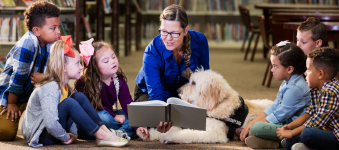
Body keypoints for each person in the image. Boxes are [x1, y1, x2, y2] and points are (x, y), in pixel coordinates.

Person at [22, 37, 129, 147]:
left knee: (78, 96)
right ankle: (101, 135)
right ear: (64, 67)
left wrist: (73, 134)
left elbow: (71, 116)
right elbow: (50, 124)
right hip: (41, 136)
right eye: (77, 63)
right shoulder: (50, 87)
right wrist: (65, 137)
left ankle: (104, 131)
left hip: (54, 131)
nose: (81, 67)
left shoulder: (66, 87)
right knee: (69, 102)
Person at [134, 4, 210, 137]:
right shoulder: (151, 52)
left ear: (185, 30)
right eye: (163, 31)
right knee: (156, 120)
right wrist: (160, 116)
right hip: (151, 94)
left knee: (212, 115)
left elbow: (204, 79)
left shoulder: (200, 40)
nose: (168, 38)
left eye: (174, 33)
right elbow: (155, 97)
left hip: (184, 94)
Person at [0, 1, 60, 141]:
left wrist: (46, 78)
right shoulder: (27, 44)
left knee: (57, 119)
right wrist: (12, 104)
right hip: (10, 95)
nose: (58, 31)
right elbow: (18, 77)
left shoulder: (53, 44)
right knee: (6, 132)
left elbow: (60, 73)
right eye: (53, 28)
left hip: (31, 95)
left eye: (58, 27)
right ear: (36, 30)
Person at [239, 41, 311, 149]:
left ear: (289, 69)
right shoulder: (288, 81)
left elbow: (278, 115)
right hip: (284, 122)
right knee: (251, 120)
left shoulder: (295, 88)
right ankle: (271, 143)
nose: (272, 70)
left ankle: (274, 140)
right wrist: (251, 123)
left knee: (255, 127)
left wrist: (251, 126)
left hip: (292, 129)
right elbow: (273, 107)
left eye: (275, 66)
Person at [277, 47, 339, 150]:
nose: (305, 73)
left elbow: (316, 122)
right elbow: (309, 113)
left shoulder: (330, 92)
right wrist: (290, 127)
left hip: (336, 136)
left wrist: (292, 132)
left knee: (306, 133)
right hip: (326, 130)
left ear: (320, 74)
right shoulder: (316, 89)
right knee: (296, 135)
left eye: (308, 69)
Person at [75, 40, 135, 140]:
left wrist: (138, 125)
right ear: (94, 68)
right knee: (104, 117)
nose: (112, 61)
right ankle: (120, 131)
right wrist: (114, 116)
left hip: (109, 114)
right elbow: (93, 106)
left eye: (113, 56)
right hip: (90, 118)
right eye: (106, 61)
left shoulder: (118, 80)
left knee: (133, 114)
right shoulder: (85, 82)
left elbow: (127, 102)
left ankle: (119, 133)